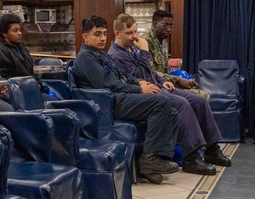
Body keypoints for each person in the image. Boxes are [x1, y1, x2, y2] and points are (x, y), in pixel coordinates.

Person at [109, 13, 229, 173]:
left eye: (135, 32)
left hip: (157, 87)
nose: (134, 36)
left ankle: (212, 149)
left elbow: (149, 71)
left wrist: (161, 81)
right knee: (182, 105)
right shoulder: (116, 55)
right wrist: (145, 51)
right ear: (117, 33)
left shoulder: (132, 49)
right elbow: (137, 77)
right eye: (129, 33)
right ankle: (191, 157)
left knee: (198, 100)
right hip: (143, 95)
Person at [73, 15, 179, 183]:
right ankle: (150, 159)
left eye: (105, 34)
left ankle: (156, 159)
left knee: (172, 113)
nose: (102, 38)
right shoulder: (85, 58)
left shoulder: (101, 54)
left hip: (121, 96)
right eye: (97, 34)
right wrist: (139, 89)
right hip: (107, 103)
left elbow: (122, 76)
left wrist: (138, 81)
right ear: (85, 37)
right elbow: (108, 84)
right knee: (161, 102)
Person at [141, 10, 208, 100]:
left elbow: (164, 70)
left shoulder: (163, 41)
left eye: (171, 26)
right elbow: (149, 72)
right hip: (154, 85)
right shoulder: (144, 42)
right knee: (199, 97)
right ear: (154, 24)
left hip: (166, 82)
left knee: (202, 93)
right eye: (165, 25)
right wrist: (177, 80)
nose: (168, 29)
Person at [0, 13, 34, 79]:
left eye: (20, 30)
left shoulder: (20, 47)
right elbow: (0, 80)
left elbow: (30, 72)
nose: (19, 33)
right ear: (4, 33)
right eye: (15, 30)